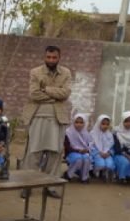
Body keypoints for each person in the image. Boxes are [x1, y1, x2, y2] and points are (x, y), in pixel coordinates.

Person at [21, 45, 72, 197]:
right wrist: (55, 96)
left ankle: (50, 186)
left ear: (59, 58)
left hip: (58, 118)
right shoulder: (35, 72)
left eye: (54, 57)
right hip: (38, 116)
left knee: (55, 153)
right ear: (44, 57)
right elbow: (34, 94)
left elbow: (65, 93)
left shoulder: (66, 73)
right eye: (48, 57)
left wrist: (46, 89)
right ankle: (27, 185)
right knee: (34, 152)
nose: (51, 60)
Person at [63, 114, 92, 183]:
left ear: (84, 123)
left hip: (83, 153)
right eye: (77, 122)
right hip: (71, 153)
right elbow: (68, 147)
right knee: (78, 159)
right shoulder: (68, 132)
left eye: (81, 122)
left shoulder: (86, 133)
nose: (79, 124)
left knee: (87, 158)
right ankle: (68, 175)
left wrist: (87, 150)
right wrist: (78, 150)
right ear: (73, 122)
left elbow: (89, 145)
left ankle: (84, 177)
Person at [113, 111, 130, 183]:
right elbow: (117, 148)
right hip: (120, 154)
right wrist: (127, 156)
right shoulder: (117, 133)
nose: (129, 123)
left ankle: (129, 176)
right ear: (122, 121)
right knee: (124, 162)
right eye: (126, 121)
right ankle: (121, 177)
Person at [89, 114, 115, 182]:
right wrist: (99, 152)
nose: (105, 126)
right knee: (101, 164)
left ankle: (103, 173)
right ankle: (94, 172)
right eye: (103, 124)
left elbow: (112, 146)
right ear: (99, 123)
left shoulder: (110, 134)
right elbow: (91, 146)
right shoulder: (93, 133)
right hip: (97, 154)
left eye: (107, 124)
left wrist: (109, 153)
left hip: (107, 154)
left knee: (109, 164)